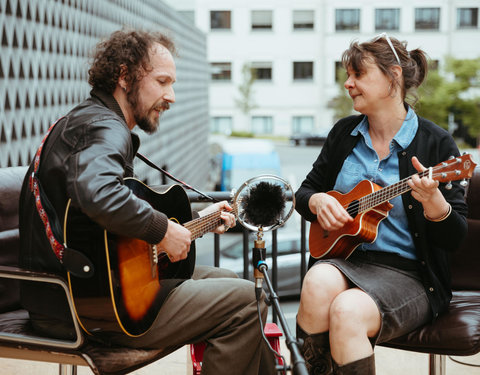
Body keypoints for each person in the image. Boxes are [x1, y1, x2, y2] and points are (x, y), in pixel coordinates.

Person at [19, 29, 275, 375]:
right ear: (124, 77)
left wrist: (199, 219)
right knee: (248, 299)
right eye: (162, 81)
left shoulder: (89, 120)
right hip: (81, 306)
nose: (170, 96)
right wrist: (161, 231)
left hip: (83, 291)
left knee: (227, 279)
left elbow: (104, 229)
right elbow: (98, 192)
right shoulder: (105, 127)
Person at [294, 34, 468, 375]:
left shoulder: (436, 143)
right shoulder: (344, 134)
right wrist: (317, 202)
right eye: (348, 75)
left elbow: (456, 237)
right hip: (346, 260)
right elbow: (305, 193)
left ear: (394, 76)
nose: (348, 84)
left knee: (347, 311)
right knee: (315, 282)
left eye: (358, 75)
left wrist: (434, 203)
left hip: (411, 276)